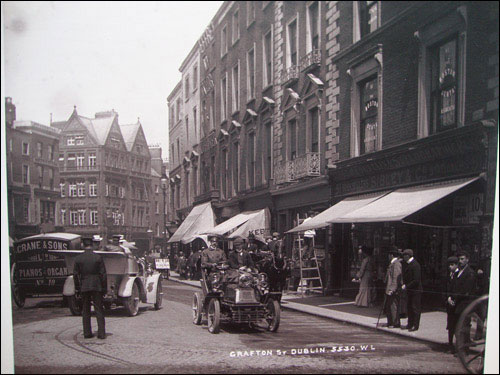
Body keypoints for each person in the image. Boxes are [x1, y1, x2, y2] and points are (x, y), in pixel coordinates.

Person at [73, 237, 107, 339]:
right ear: (91, 245)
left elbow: (75, 275)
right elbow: (103, 274)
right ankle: (101, 333)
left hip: (84, 286)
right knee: (99, 309)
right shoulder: (98, 257)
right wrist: (104, 288)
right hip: (97, 285)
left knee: (86, 310)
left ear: (83, 245)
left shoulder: (78, 258)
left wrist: (78, 288)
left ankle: (87, 333)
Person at [453, 250, 477, 347]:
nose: (460, 261)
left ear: (467, 260)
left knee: (463, 326)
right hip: (458, 304)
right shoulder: (458, 272)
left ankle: (463, 348)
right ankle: (461, 346)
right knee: (458, 326)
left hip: (465, 304)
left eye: (462, 259)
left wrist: (455, 297)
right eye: (459, 259)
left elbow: (466, 291)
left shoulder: (470, 273)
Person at [401, 249, 423, 332]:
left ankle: (415, 325)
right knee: (409, 307)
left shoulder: (415, 265)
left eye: (404, 255)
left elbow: (416, 280)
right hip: (410, 290)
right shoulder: (408, 264)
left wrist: (406, 286)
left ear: (408, 256)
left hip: (416, 291)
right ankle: (410, 323)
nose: (403, 257)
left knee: (415, 308)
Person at [384, 249, 402, 328]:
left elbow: (396, 277)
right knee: (389, 305)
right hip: (388, 288)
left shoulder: (396, 264)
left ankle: (395, 323)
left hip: (392, 289)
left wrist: (392, 289)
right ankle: (390, 322)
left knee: (393, 306)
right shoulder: (392, 264)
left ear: (391, 255)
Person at [445, 256, 459, 354]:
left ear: (456, 265)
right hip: (449, 304)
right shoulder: (449, 275)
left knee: (456, 326)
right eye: (449, 265)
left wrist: (453, 298)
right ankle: (450, 345)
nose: (450, 267)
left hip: (456, 304)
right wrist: (448, 298)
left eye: (452, 265)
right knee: (450, 326)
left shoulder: (459, 275)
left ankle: (457, 347)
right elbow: (446, 288)